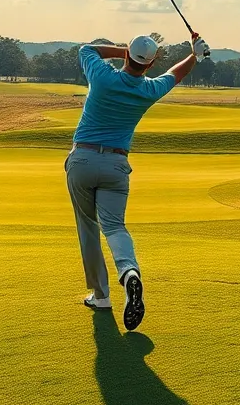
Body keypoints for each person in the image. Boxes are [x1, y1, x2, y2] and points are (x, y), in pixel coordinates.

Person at [66, 31, 209, 331]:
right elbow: (176, 74)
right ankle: (129, 272)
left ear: (129, 55)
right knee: (115, 226)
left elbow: (86, 49)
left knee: (88, 227)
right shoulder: (150, 90)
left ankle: (101, 296)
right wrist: (194, 55)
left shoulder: (103, 76)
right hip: (117, 165)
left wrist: (122, 51)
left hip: (82, 160)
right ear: (152, 63)